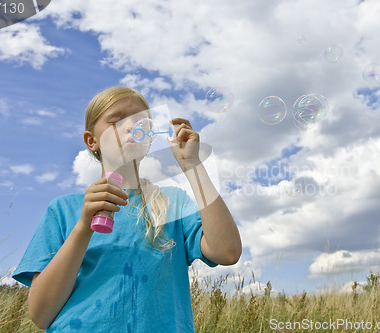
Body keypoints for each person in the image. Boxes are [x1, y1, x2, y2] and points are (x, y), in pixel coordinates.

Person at [12, 86, 242, 332]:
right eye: (117, 120)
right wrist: (82, 228)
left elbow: (227, 252)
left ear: (150, 138)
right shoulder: (63, 210)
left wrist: (193, 165)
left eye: (142, 121)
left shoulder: (172, 202)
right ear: (92, 141)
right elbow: (41, 314)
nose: (132, 126)